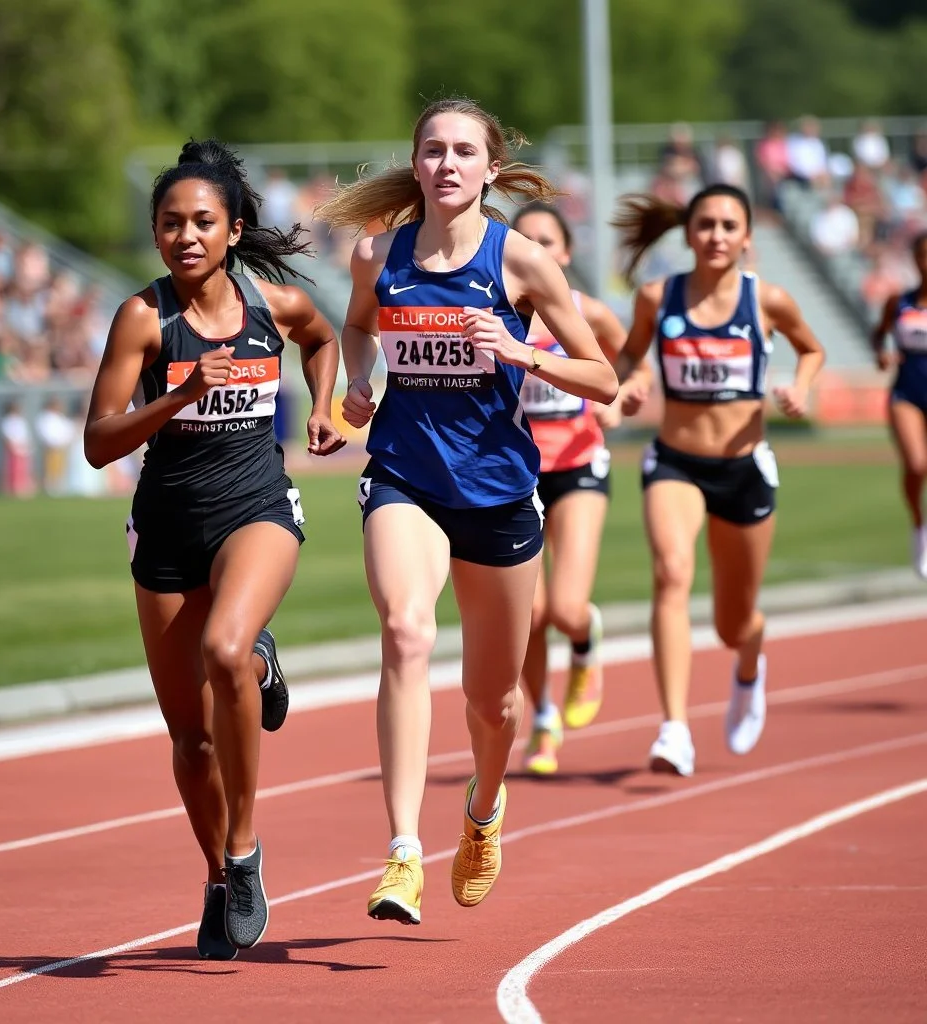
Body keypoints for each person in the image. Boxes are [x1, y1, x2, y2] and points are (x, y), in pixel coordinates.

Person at [314, 96, 618, 925]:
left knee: (495, 704)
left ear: (490, 168)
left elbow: (602, 378)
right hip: (404, 477)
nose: (447, 163)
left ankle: (483, 809)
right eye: (433, 150)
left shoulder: (521, 262)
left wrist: (522, 351)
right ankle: (403, 854)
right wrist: (359, 379)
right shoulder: (377, 254)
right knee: (407, 631)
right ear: (415, 164)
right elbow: (356, 326)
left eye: (463, 151)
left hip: (499, 493)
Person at [83, 139, 344, 959]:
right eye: (171, 223)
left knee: (225, 647)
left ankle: (245, 849)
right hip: (166, 528)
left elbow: (323, 339)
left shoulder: (273, 305)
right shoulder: (144, 318)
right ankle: (218, 877)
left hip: (255, 506)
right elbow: (98, 442)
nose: (186, 236)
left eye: (202, 222)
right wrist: (181, 395)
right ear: (155, 232)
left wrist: (323, 408)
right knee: (191, 743)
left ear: (232, 231)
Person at [611, 184, 825, 778]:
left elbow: (811, 349)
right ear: (688, 232)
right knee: (671, 572)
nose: (716, 236)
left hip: (743, 468)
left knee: (734, 623)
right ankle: (674, 728)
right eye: (705, 224)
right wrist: (631, 383)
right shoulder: (658, 297)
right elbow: (629, 356)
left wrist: (800, 387)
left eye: (729, 226)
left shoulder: (767, 300)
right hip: (675, 463)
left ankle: (750, 662)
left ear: (747, 236)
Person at [510, 201, 633, 775]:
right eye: (524, 240)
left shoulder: (587, 313)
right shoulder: (493, 313)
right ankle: (543, 717)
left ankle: (585, 640)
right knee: (528, 615)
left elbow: (627, 358)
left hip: (579, 463)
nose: (536, 250)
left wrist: (620, 400)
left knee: (564, 607)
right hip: (517, 472)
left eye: (547, 241)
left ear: (565, 252)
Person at [870, 231, 927, 578]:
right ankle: (919, 525)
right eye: (923, 255)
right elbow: (878, 335)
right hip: (907, 395)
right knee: (917, 466)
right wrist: (882, 354)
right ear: (915, 260)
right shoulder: (899, 302)